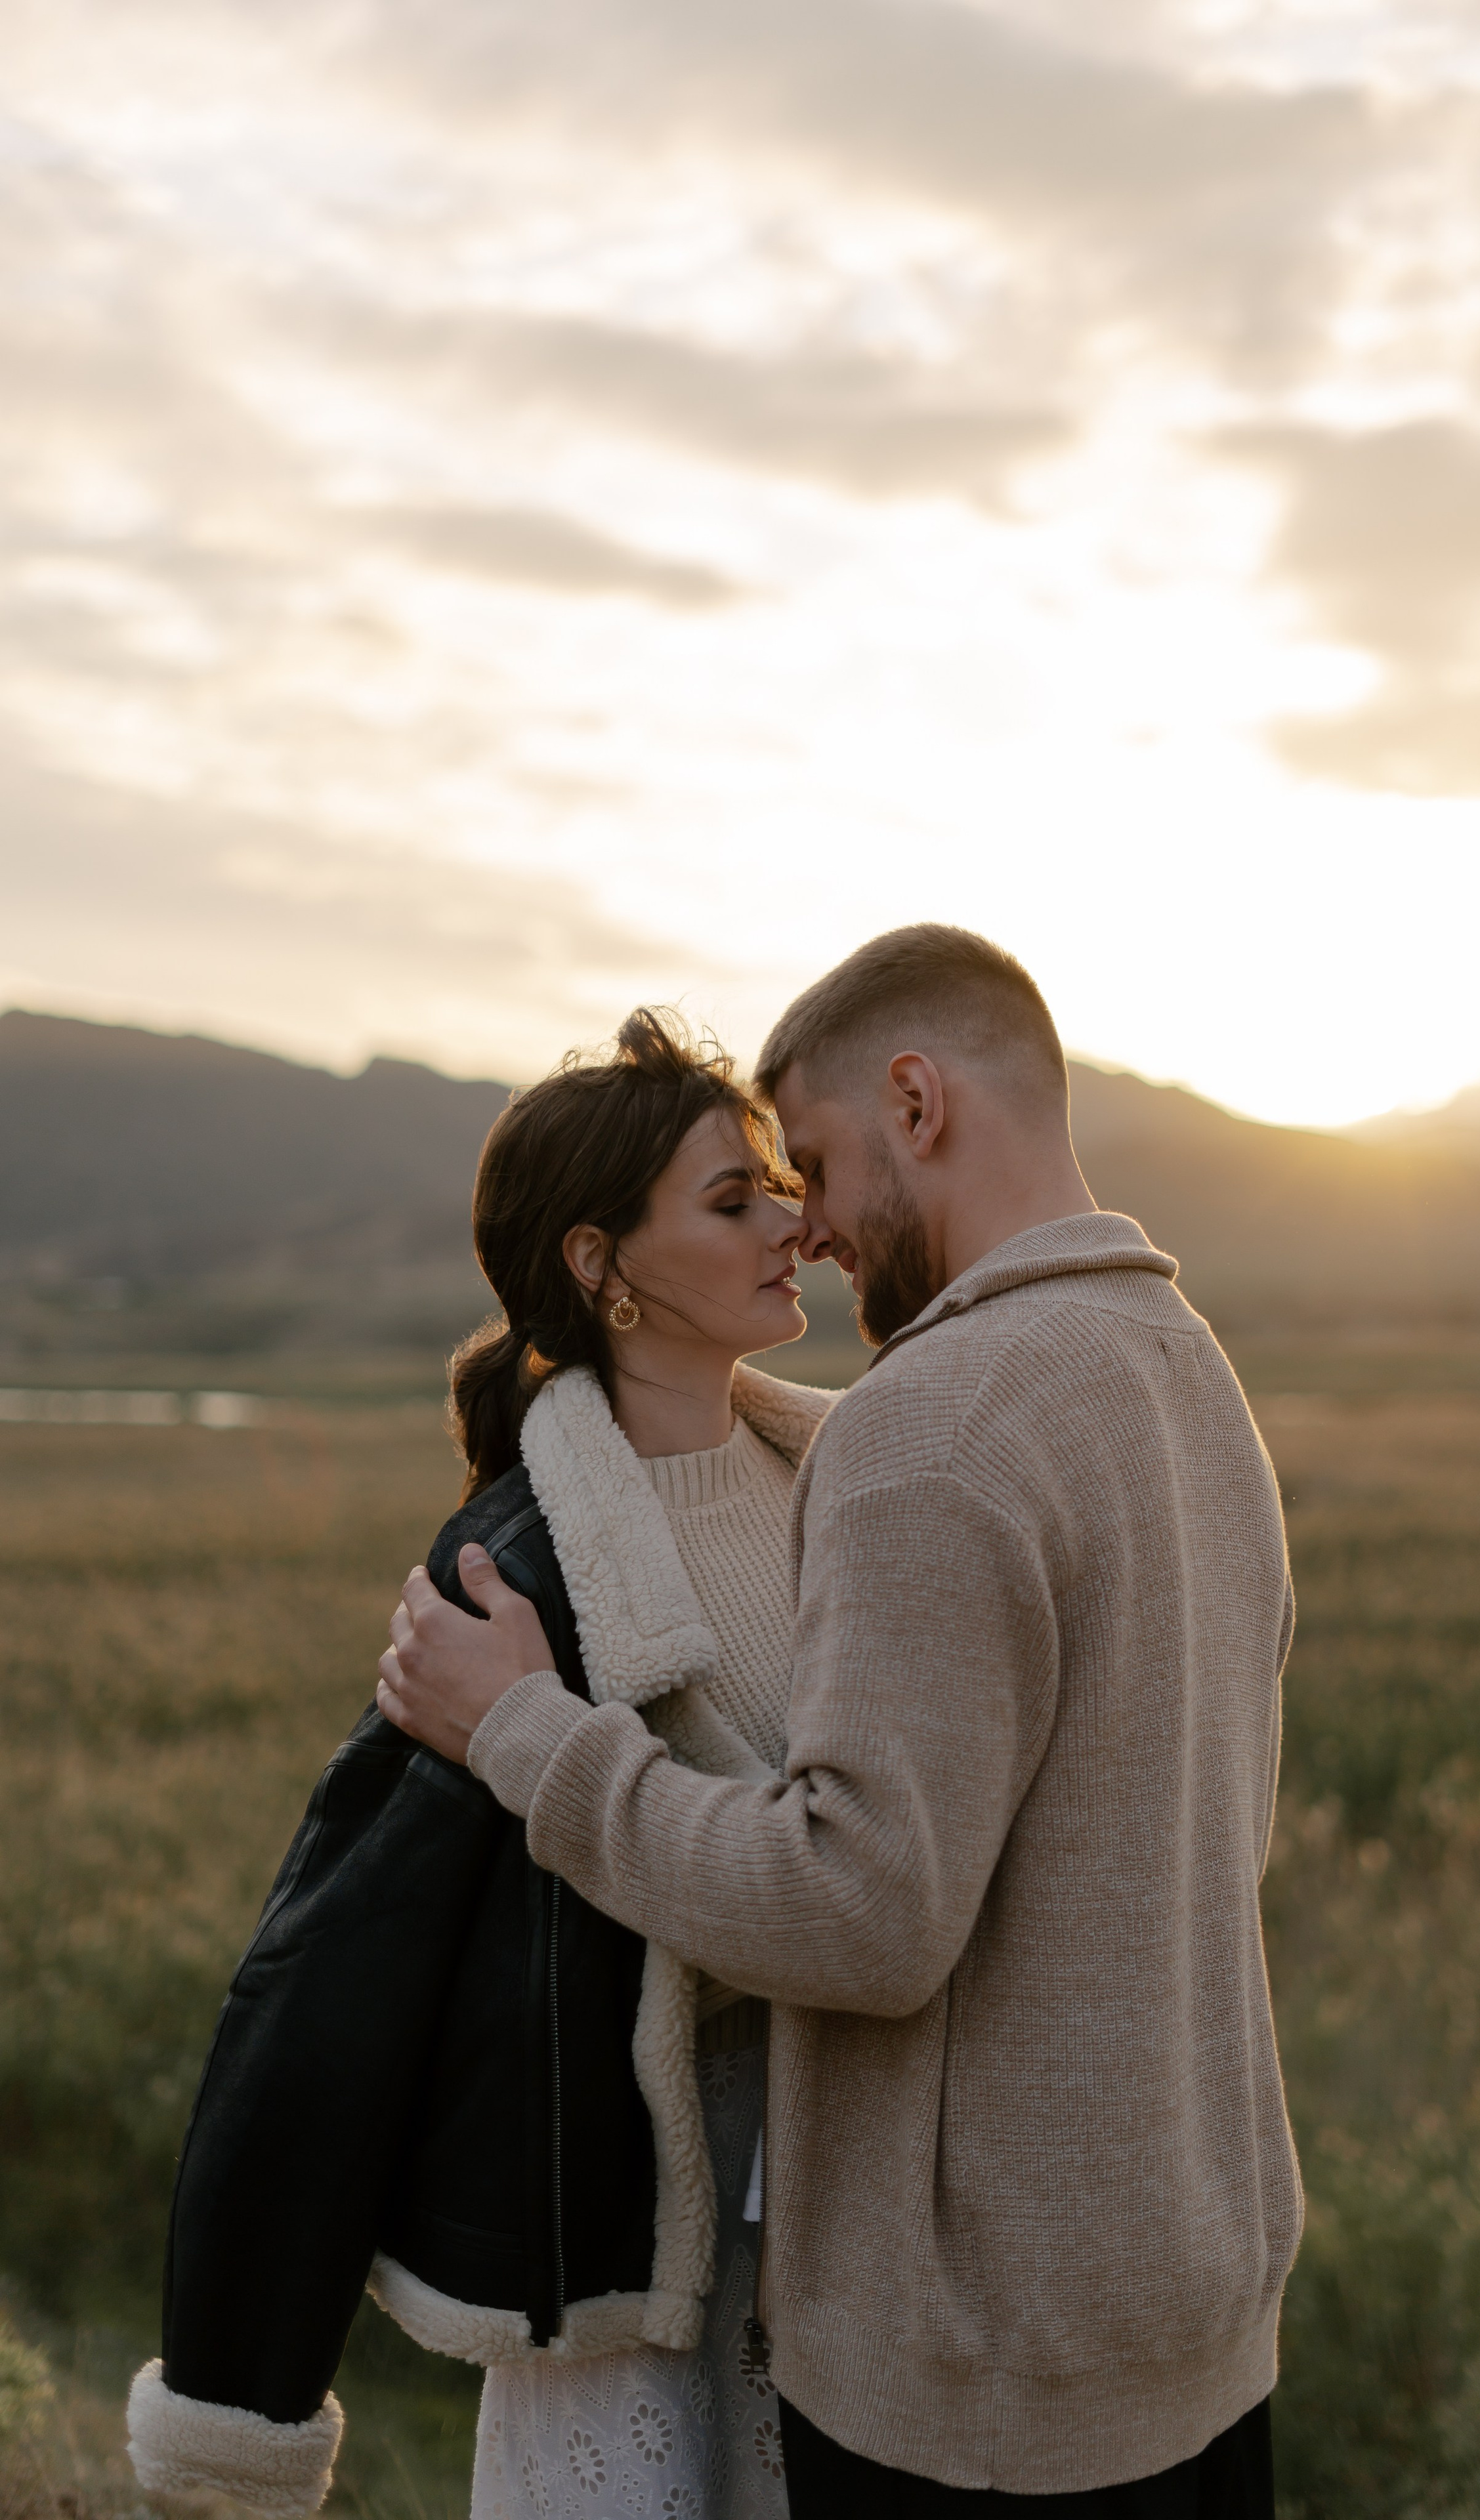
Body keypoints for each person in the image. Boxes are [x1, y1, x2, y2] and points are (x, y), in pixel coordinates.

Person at [377, 924, 1303, 2517]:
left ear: (916, 1103)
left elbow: (855, 1911)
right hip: (1196, 2315)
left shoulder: (925, 1424)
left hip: (977, 2377)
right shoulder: (1185, 1366)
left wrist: (530, 1736)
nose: (804, 1227)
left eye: (807, 1162)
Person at [127, 1009, 830, 2520]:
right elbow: (339, 1967)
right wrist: (235, 2392)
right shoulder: (516, 1573)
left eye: (778, 1186)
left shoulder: (846, 1491)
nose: (794, 1223)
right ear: (599, 1263)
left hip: (848, 2218)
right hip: (624, 2237)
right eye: (734, 1201)